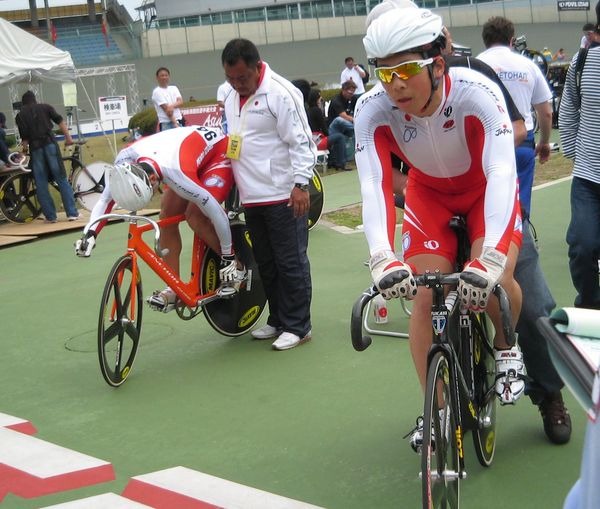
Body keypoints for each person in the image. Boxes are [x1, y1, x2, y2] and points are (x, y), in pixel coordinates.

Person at [355, 4, 525, 451]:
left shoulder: (477, 92)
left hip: (485, 190)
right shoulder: (371, 108)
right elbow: (372, 184)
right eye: (384, 73)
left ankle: (507, 347)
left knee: (497, 278)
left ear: (437, 63)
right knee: (425, 292)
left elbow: (503, 172)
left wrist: (489, 259)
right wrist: (381, 256)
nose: (395, 85)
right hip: (427, 196)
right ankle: (437, 407)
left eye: (406, 70)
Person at [477, 15, 571, 445]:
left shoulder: (473, 76)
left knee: (534, 308)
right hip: (446, 214)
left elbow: (525, 123)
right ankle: (443, 403)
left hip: (501, 202)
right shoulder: (388, 102)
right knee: (430, 301)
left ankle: (550, 394)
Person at [74, 126, 244, 308]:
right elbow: (105, 199)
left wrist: (227, 254)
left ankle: (237, 267)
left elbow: (215, 210)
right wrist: (90, 233)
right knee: (166, 216)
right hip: (180, 154)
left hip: (215, 154)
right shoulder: (123, 163)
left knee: (196, 215)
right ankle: (173, 288)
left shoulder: (177, 173)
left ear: (153, 180)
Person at [221, 38, 315, 351]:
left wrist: (301, 184)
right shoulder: (230, 97)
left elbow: (302, 143)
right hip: (252, 197)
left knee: (291, 262)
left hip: (283, 194)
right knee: (267, 263)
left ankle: (299, 326)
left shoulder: (282, 92)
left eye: (242, 78)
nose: (237, 85)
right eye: (231, 79)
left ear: (257, 67)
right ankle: (278, 319)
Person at [559, 4, 600, 310]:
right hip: (588, 176)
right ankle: (590, 307)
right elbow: (569, 107)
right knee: (583, 248)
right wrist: (573, 149)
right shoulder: (583, 60)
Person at [15, 90, 79, 223]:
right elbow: (60, 121)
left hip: (35, 149)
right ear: (35, 99)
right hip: (50, 144)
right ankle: (72, 213)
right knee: (61, 178)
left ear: (24, 103)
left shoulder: (20, 115)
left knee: (41, 182)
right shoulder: (45, 107)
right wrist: (68, 138)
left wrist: (23, 151)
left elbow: (25, 139)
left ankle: (50, 216)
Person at [306, 88, 348, 171]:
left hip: (311, 139)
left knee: (332, 138)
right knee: (340, 137)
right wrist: (328, 134)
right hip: (317, 140)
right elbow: (324, 127)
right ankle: (341, 163)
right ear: (316, 99)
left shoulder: (308, 110)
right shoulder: (317, 110)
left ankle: (332, 162)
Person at [327, 80, 358, 162]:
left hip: (347, 126)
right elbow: (343, 116)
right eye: (349, 92)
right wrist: (357, 121)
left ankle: (357, 155)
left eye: (353, 93)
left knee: (356, 133)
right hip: (334, 127)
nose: (351, 95)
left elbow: (358, 111)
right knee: (340, 119)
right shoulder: (336, 100)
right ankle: (357, 126)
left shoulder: (353, 99)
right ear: (343, 90)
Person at [152, 67, 183, 131]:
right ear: (157, 78)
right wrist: (175, 124)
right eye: (162, 76)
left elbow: (180, 102)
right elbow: (167, 110)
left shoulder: (174, 88)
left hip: (179, 120)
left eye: (166, 75)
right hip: (166, 124)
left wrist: (171, 106)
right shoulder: (157, 92)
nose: (164, 77)